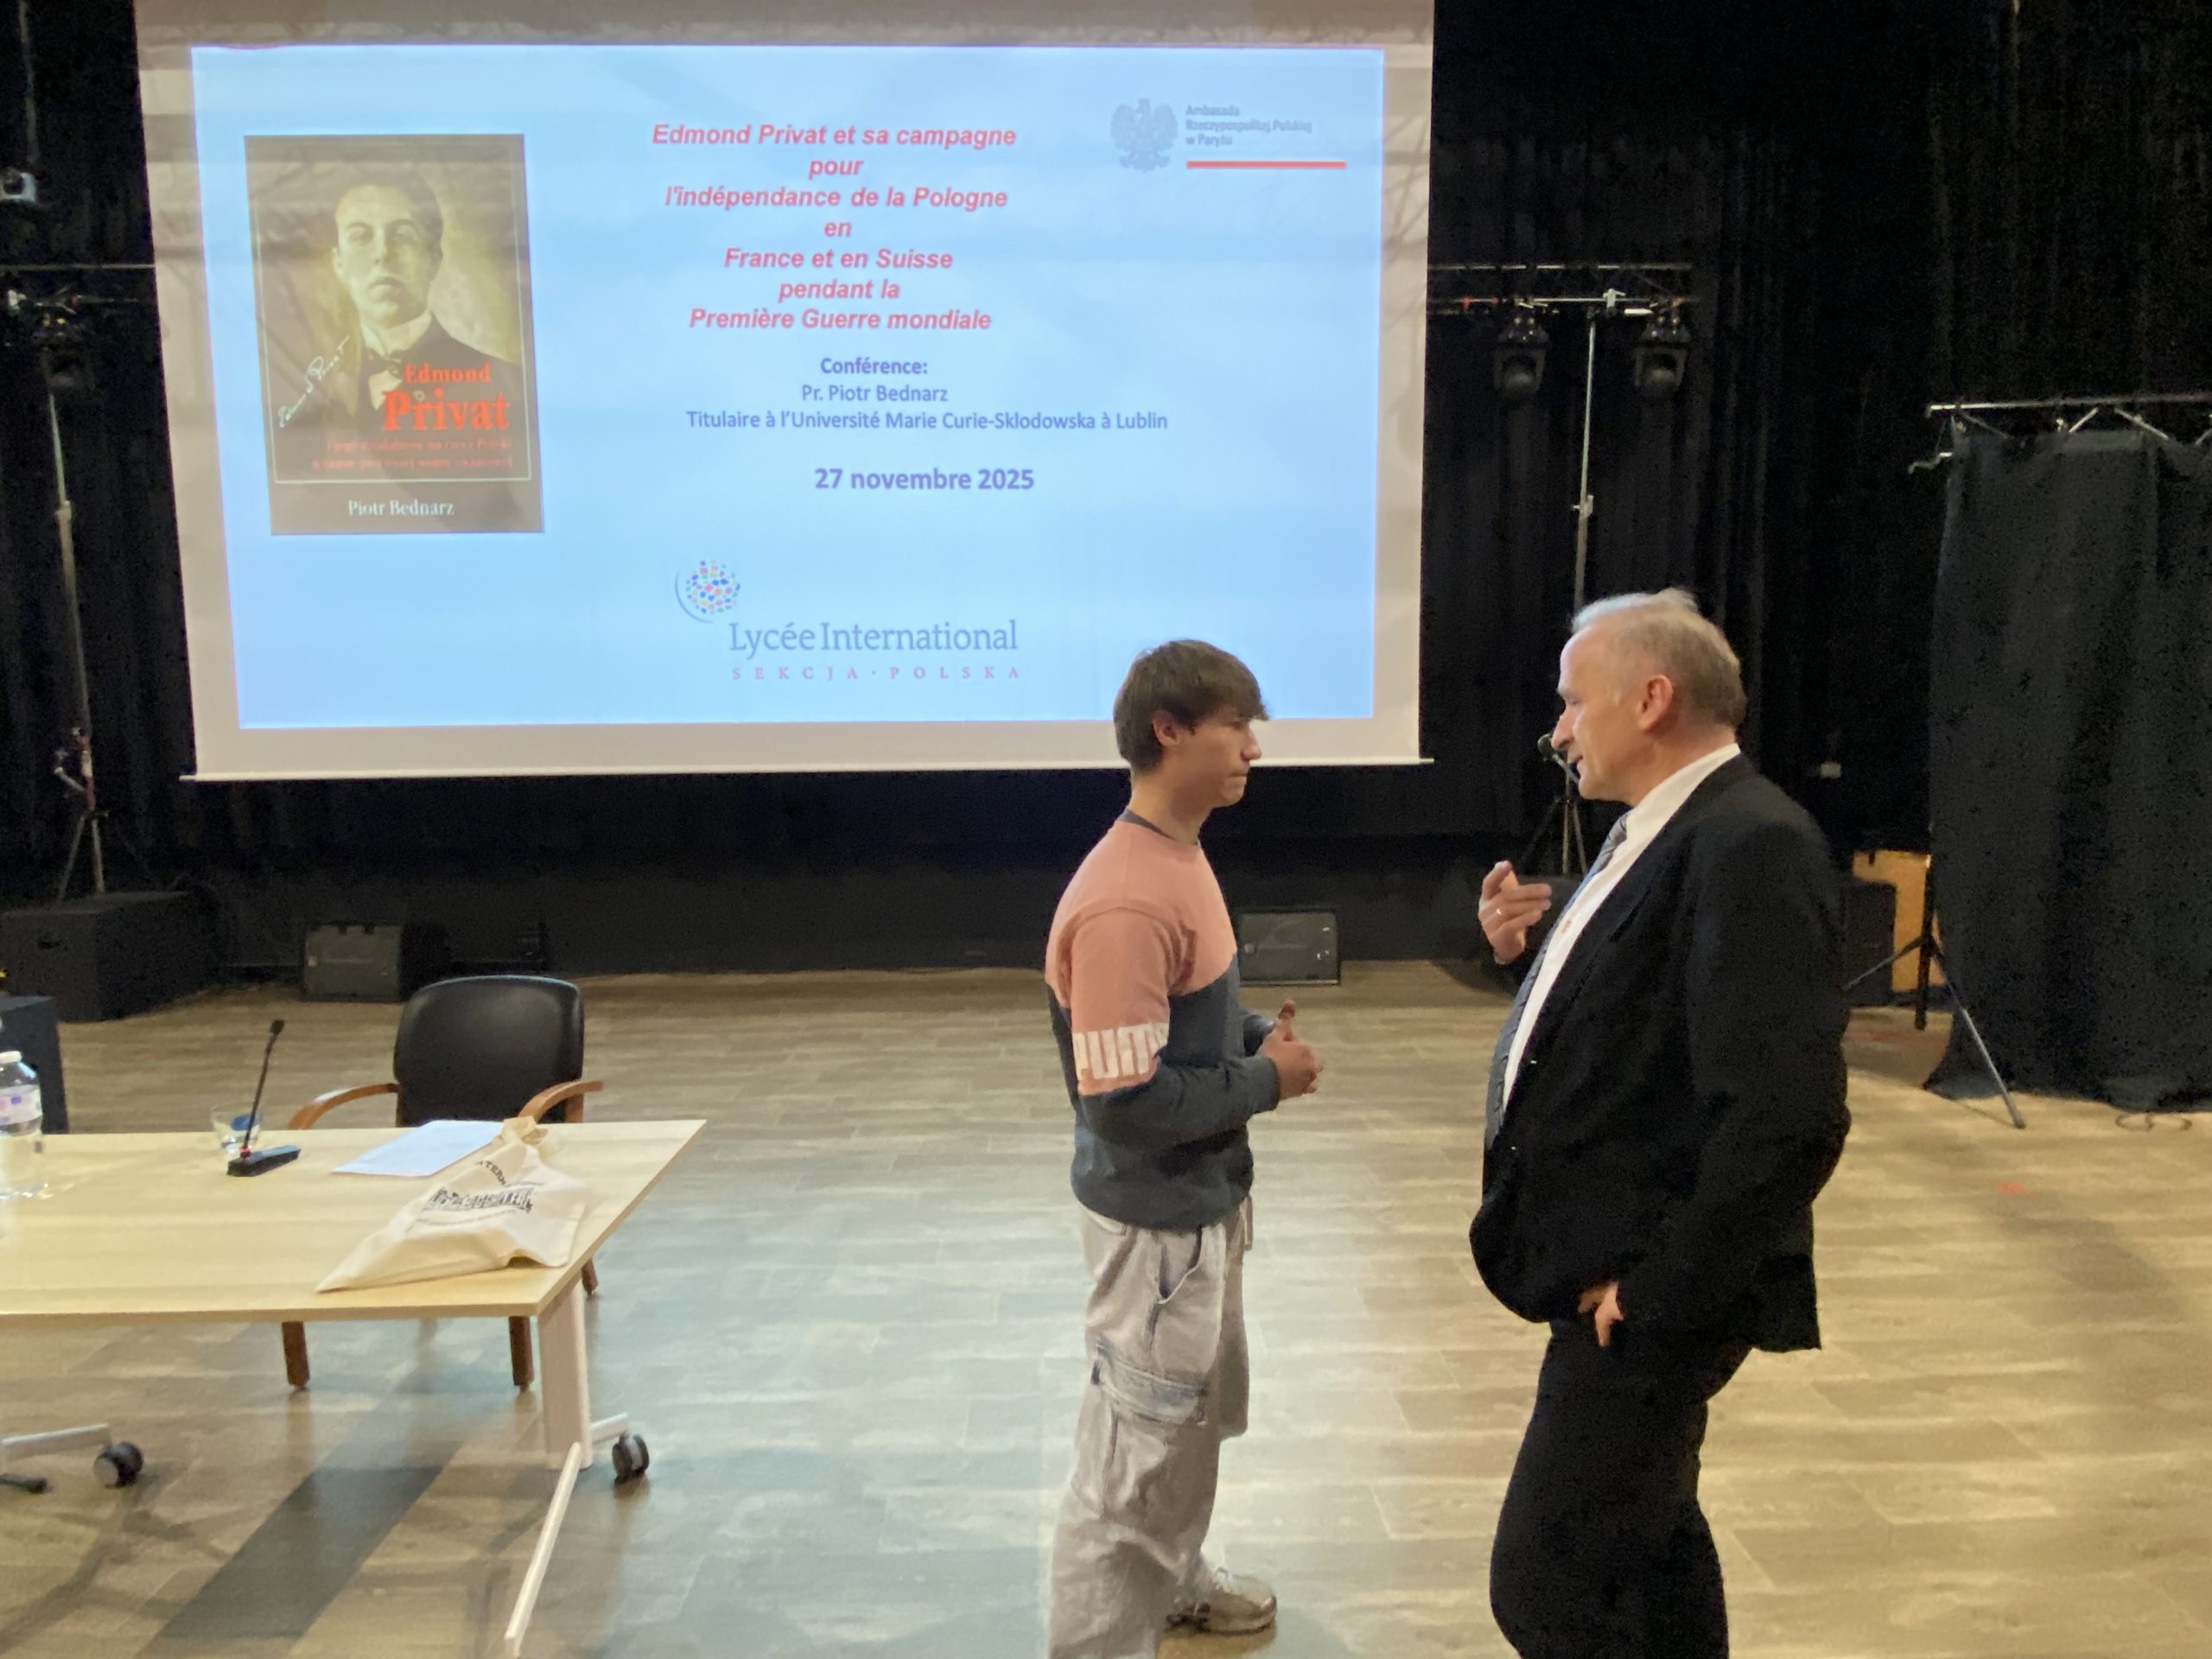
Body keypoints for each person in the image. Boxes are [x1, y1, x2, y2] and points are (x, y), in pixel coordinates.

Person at [1471, 588, 1851, 1659]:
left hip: (1644, 1294)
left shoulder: (1751, 843)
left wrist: (1657, 1291)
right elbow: (1644, 1014)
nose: (1557, 732)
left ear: (1650, 700)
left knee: (1546, 1582)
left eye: (1571, 703)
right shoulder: (1664, 827)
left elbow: (1788, 1116)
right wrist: (1530, 956)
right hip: (1607, 1270)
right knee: (1647, 1549)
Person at [1044, 640, 1323, 1659]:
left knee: (1186, 1427)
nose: (1253, 748)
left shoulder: (1178, 855)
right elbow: (1123, 1102)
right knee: (1128, 1469)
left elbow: (1176, 1028)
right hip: (1155, 1234)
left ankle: (1173, 1584)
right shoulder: (1127, 898)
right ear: (1168, 731)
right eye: (1234, 726)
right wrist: (1265, 1082)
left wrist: (1245, 1038)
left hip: (1198, 1212)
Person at [271, 167, 523, 466]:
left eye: (402, 236)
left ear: (433, 259)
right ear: (338, 264)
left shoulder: (508, 386)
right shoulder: (305, 393)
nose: (382, 254)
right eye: (360, 237)